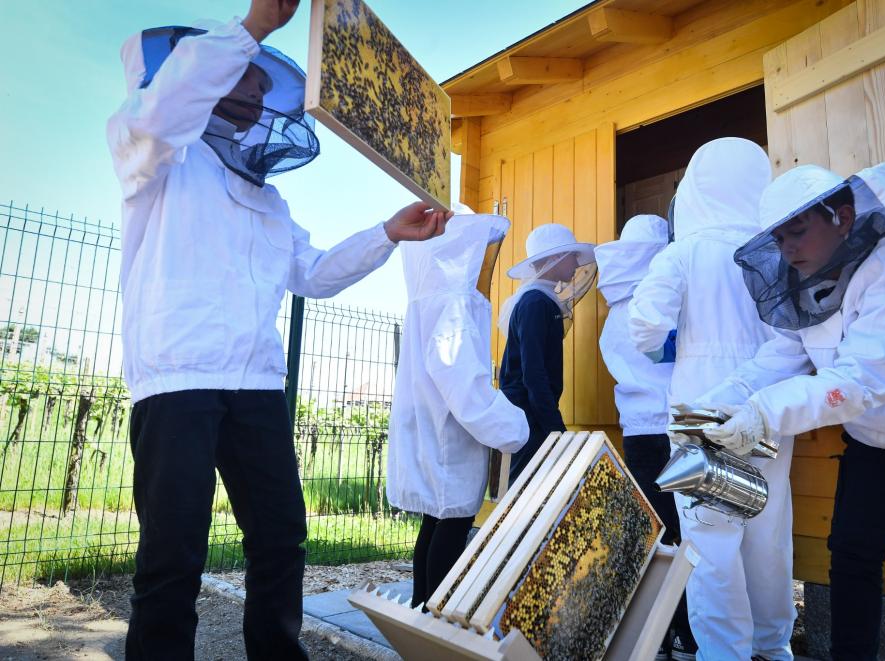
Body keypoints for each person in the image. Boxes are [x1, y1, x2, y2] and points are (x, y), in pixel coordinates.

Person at [106, 2, 451, 657]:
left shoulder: (266, 195)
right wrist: (252, 29)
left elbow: (313, 272)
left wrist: (385, 233)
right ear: (195, 72)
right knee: (173, 551)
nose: (260, 89)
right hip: (177, 377)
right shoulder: (149, 152)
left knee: (279, 536)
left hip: (257, 382)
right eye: (248, 76)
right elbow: (160, 114)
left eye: (264, 81)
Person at [697, 162, 885, 660]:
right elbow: (782, 356)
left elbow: (863, 380)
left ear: (845, 218)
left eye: (798, 231)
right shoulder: (809, 283)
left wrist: (763, 415)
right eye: (780, 239)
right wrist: (722, 401)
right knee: (852, 558)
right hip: (876, 443)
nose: (788, 249)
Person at [628, 138, 795, 661]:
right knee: (768, 531)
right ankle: (774, 646)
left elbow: (644, 327)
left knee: (711, 538)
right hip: (768, 404)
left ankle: (724, 653)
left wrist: (668, 343)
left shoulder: (683, 252)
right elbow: (795, 340)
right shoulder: (776, 253)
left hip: (700, 408)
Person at [387, 208, 528, 609]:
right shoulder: (452, 307)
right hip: (449, 436)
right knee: (449, 526)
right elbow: (465, 386)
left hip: (432, 430)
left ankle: (419, 621)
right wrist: (515, 428)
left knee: (435, 523)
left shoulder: (429, 301)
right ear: (460, 249)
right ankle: (434, 632)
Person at [595, 213, 695, 658]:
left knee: (654, 537)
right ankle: (688, 638)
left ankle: (653, 636)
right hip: (676, 429)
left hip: (636, 433)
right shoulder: (662, 302)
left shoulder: (614, 311)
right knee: (688, 537)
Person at [497, 223, 596, 483]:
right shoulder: (535, 303)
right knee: (523, 497)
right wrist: (555, 427)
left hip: (532, 415)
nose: (576, 263)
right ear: (555, 258)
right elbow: (533, 373)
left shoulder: (540, 300)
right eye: (572, 256)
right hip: (529, 419)